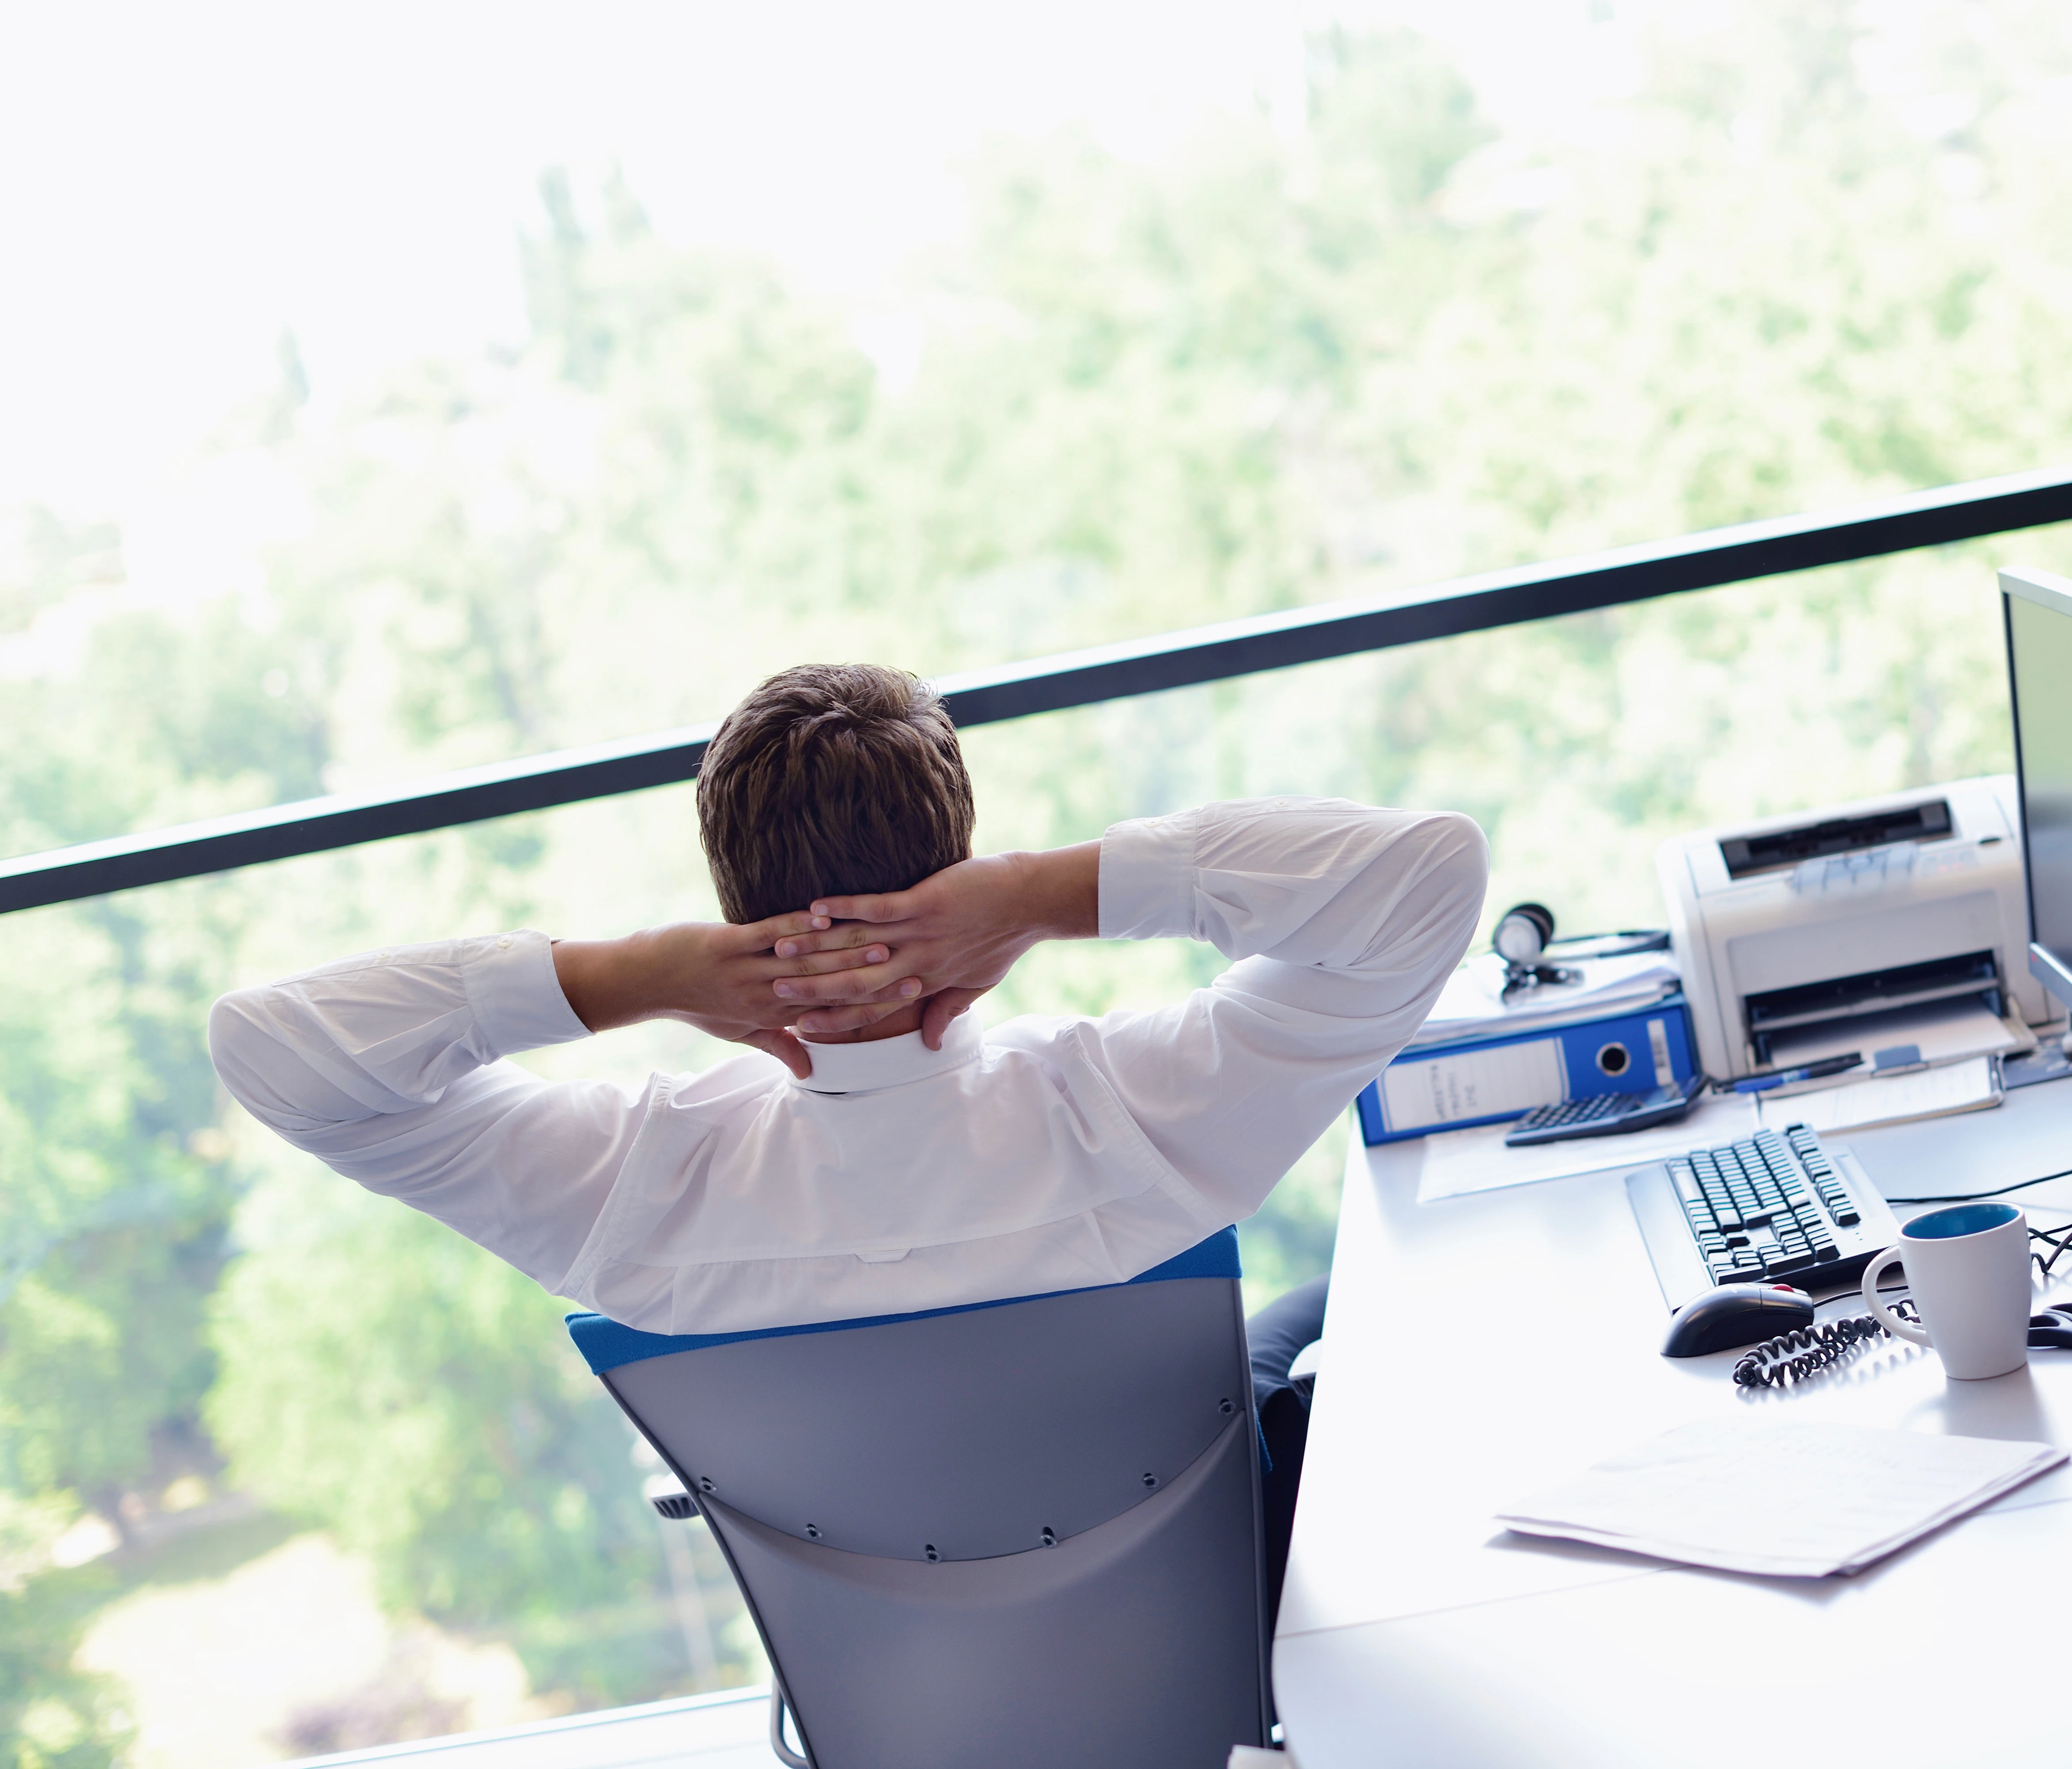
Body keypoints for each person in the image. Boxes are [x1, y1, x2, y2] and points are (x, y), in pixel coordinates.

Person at [209, 663, 1487, 1597]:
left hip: (887, 1706)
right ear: (966, 861)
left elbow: (267, 1049)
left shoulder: (630, 1192)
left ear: (726, 899)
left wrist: (635, 977)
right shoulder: (1136, 1111)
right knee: (1340, 1297)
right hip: (1196, 1633)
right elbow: (1430, 876)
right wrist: (1050, 897)